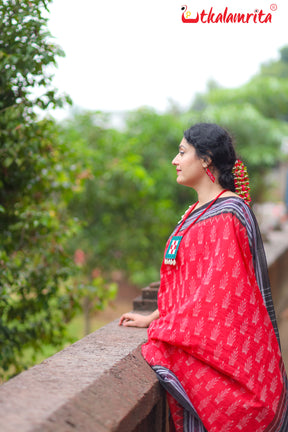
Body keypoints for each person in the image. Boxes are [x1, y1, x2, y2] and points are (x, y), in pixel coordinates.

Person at [119, 123, 288, 432]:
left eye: (183, 152)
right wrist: (155, 315)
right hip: (191, 330)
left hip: (229, 361)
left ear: (206, 160)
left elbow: (218, 297)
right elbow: (193, 285)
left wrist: (165, 326)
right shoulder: (199, 209)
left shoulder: (226, 214)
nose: (175, 160)